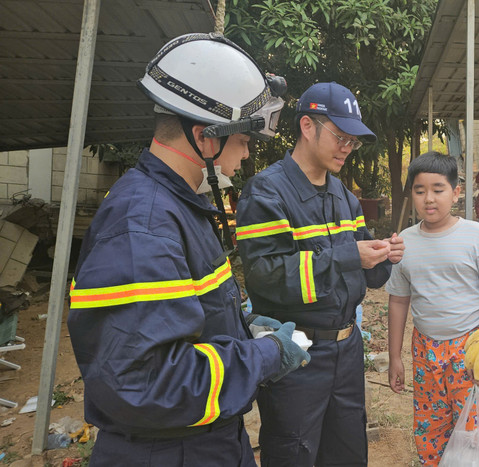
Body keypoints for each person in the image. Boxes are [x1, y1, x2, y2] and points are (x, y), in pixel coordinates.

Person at [67, 33, 310, 466]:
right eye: (245, 142)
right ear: (206, 137)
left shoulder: (174, 206)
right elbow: (147, 381)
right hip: (169, 451)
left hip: (199, 441)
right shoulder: (143, 224)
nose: (247, 156)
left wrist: (245, 325)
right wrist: (266, 354)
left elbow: (182, 320)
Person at [235, 81, 404, 467]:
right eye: (340, 136)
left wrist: (384, 257)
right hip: (297, 352)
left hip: (346, 350)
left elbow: (364, 275)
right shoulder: (266, 192)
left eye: (353, 140)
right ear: (307, 126)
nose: (347, 146)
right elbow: (265, 275)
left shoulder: (343, 195)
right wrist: (348, 257)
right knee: (294, 451)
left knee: (346, 451)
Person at [385, 151, 479, 466]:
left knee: (476, 431)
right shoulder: (404, 243)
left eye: (438, 189)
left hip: (469, 349)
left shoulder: (475, 236)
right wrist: (395, 356)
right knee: (431, 429)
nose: (429, 199)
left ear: (455, 192)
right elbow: (399, 301)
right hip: (425, 351)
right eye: (419, 190)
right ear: (411, 193)